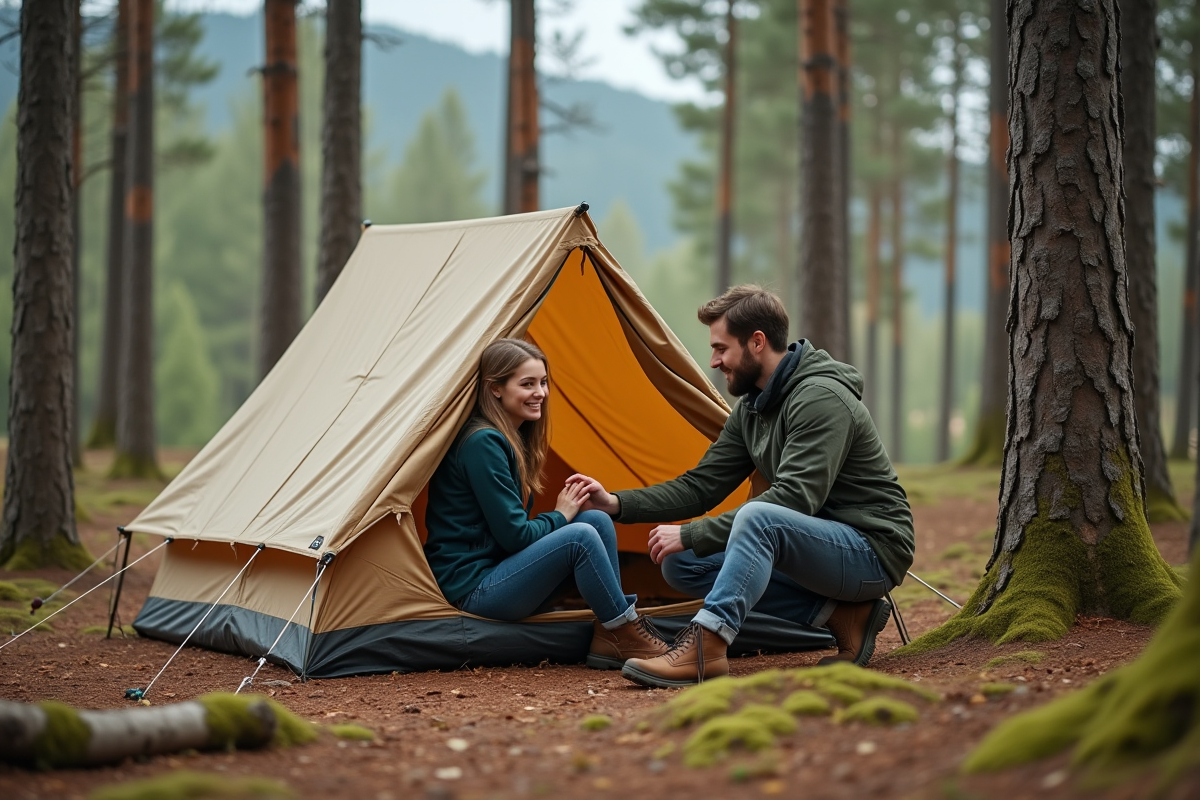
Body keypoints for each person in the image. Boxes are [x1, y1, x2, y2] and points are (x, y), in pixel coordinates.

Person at [569, 286, 914, 687]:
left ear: (757, 342)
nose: (714, 362)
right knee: (682, 561)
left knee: (759, 516)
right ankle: (843, 616)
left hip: (870, 550)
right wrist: (614, 503)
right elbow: (701, 487)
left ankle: (707, 647)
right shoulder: (753, 406)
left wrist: (693, 531)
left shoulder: (821, 397)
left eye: (721, 348)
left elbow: (795, 499)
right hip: (815, 547)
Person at [423, 338, 670, 669]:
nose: (540, 392)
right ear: (495, 388)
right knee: (579, 536)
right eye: (527, 384)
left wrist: (569, 514)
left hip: (497, 572)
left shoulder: (509, 437)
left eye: (542, 382)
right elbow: (515, 536)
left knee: (596, 519)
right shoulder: (482, 442)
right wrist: (561, 515)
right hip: (473, 589)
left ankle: (609, 633)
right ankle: (622, 628)